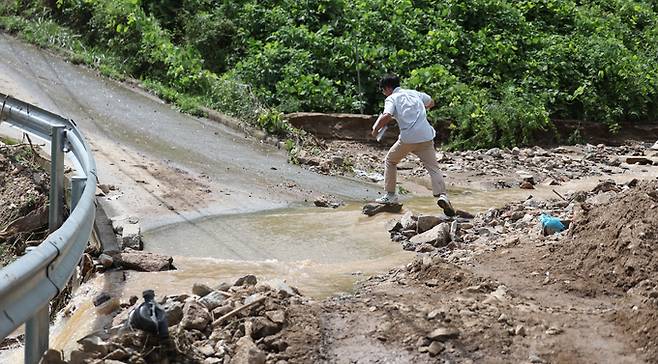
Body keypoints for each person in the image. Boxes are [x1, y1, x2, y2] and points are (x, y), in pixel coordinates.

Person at [371, 74, 455, 216]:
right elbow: (431, 102)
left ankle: (390, 195)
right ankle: (442, 196)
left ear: (388, 88)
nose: (383, 93)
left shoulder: (391, 98)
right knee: (433, 168)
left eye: (383, 90)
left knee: (390, 161)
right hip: (426, 137)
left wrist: (375, 130)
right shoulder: (414, 93)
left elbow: (386, 115)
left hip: (408, 138)